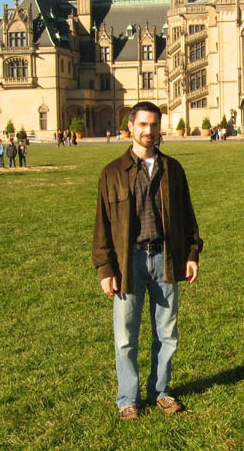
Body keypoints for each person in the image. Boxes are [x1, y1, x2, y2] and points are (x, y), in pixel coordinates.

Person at [92, 101, 202, 420]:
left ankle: (160, 391)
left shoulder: (172, 169)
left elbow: (187, 215)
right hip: (129, 263)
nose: (148, 131)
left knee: (166, 333)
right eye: (142, 124)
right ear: (130, 127)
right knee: (125, 337)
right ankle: (128, 398)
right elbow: (102, 225)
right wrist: (105, 268)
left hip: (166, 259)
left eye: (154, 125)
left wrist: (192, 253)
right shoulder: (113, 172)